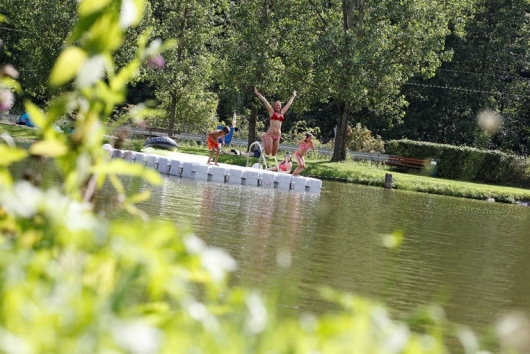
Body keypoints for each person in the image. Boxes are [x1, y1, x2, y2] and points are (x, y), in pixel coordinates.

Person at [254, 87, 297, 158]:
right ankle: (263, 138)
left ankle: (264, 138)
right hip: (270, 134)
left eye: (279, 105)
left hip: (278, 136)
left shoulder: (282, 112)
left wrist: (293, 96)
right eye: (276, 105)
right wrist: (258, 93)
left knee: (273, 154)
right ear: (274, 106)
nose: (278, 106)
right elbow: (265, 101)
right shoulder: (271, 111)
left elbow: (288, 104)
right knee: (268, 152)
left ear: (280, 106)